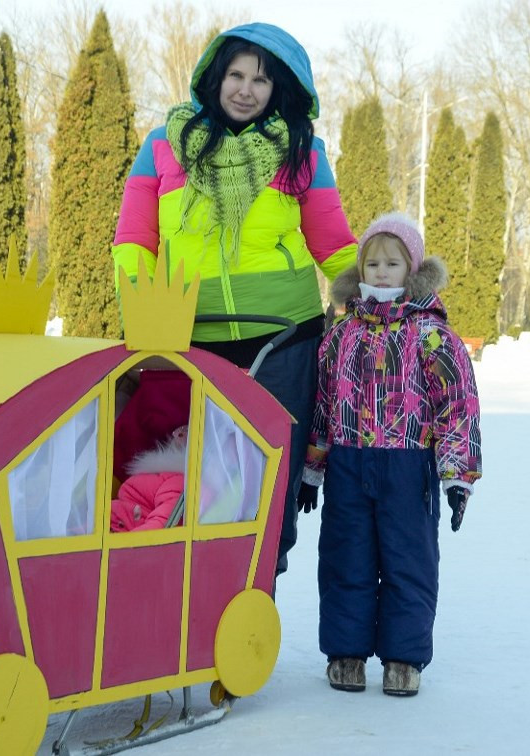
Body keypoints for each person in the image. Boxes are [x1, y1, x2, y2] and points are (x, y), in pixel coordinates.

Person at [112, 23, 357, 577]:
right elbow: (134, 242)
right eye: (236, 75)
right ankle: (181, 601)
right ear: (214, 78)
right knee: (190, 477)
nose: (246, 90)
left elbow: (334, 246)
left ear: (281, 90)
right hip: (188, 341)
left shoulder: (302, 152)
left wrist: (384, 300)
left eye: (261, 81)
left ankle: (255, 602)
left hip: (284, 340)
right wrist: (144, 313)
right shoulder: (161, 148)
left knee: (271, 479)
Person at [295, 213, 482, 697]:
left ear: (411, 269)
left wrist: (457, 475)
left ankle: (403, 658)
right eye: (372, 263)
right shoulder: (340, 335)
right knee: (345, 559)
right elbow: (322, 403)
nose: (380, 272)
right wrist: (312, 469)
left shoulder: (431, 334)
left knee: (408, 561)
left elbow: (457, 403)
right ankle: (346, 653)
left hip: (407, 467)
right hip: (349, 466)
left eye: (392, 263)